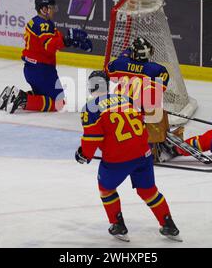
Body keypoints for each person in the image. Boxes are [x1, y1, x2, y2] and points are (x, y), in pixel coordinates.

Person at [75, 70, 182, 242]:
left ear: (91, 87)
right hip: (143, 153)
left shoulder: (90, 107)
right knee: (148, 191)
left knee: (106, 189)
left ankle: (118, 224)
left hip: (118, 158)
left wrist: (84, 155)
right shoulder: (127, 99)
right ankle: (168, 224)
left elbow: (93, 137)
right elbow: (139, 123)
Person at [0, 0, 92, 114]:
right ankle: (22, 99)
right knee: (58, 104)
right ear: (44, 9)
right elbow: (49, 45)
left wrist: (72, 40)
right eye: (51, 8)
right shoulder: (43, 25)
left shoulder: (39, 22)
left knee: (42, 95)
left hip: (33, 69)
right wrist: (67, 39)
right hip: (42, 70)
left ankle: (13, 96)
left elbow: (55, 41)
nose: (53, 10)